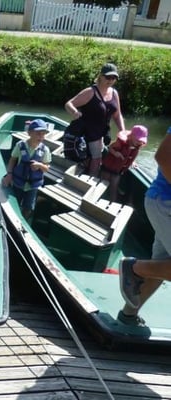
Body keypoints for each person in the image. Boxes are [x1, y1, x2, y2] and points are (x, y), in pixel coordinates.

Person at [118, 128, 171, 327]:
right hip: (165, 202)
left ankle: (128, 314)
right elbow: (163, 156)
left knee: (161, 265)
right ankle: (134, 268)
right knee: (162, 267)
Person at [64, 63, 126, 177]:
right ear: (101, 76)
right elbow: (69, 104)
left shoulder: (114, 93)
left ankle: (87, 174)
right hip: (88, 131)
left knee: (95, 157)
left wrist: (123, 131)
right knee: (96, 159)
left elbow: (117, 115)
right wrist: (74, 112)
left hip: (102, 132)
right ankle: (90, 181)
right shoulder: (90, 92)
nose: (110, 80)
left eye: (113, 78)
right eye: (108, 77)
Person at [2, 119, 51, 219]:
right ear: (29, 133)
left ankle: (23, 221)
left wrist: (40, 165)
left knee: (28, 207)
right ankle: (11, 218)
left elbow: (46, 168)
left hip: (33, 186)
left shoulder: (45, 150)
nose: (41, 136)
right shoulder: (20, 145)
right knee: (14, 203)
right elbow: (12, 160)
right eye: (38, 133)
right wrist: (9, 174)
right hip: (18, 182)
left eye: (43, 134)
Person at [101, 125, 148, 202]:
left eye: (141, 141)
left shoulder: (136, 146)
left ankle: (112, 203)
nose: (139, 142)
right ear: (131, 136)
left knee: (114, 186)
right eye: (138, 140)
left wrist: (132, 161)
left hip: (118, 171)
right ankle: (100, 198)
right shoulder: (120, 143)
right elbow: (110, 147)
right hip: (108, 167)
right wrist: (115, 153)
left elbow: (130, 155)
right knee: (103, 183)